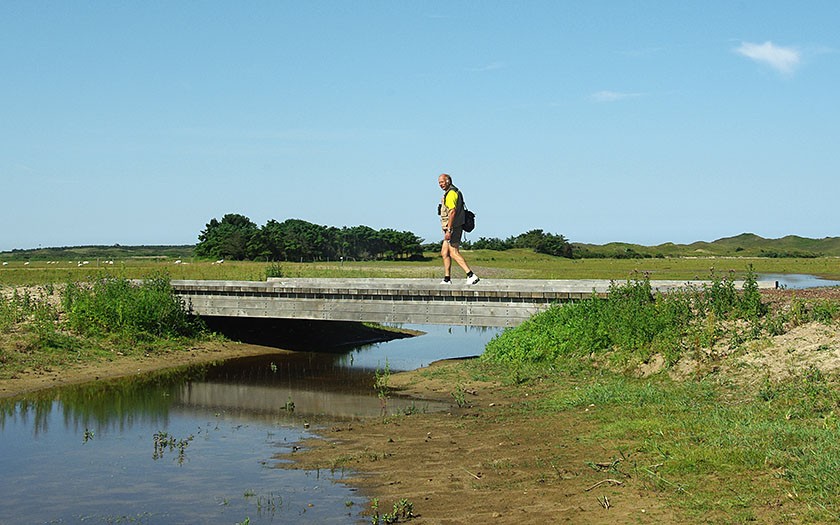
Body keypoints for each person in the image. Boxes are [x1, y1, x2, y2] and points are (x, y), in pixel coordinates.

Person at [437, 173, 479, 285]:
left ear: (448, 181)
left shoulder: (451, 194)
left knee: (454, 252)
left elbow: (452, 211)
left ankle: (471, 275)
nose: (440, 184)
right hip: (451, 227)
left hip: (453, 228)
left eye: (442, 182)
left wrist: (449, 230)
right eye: (439, 182)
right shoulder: (454, 192)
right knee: (444, 252)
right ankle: (447, 278)